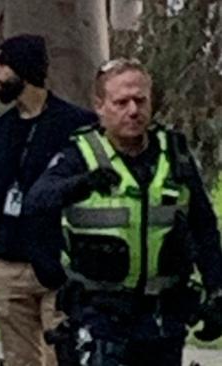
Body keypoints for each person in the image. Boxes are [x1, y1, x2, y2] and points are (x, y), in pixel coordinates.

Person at [23, 58, 222, 365]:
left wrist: (216, 289)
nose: (133, 111)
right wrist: (82, 185)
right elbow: (37, 203)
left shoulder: (175, 155)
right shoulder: (81, 155)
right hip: (100, 313)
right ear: (100, 106)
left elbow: (204, 226)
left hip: (162, 315)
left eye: (140, 101)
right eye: (121, 102)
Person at [0, 34, 98, 366]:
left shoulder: (78, 126)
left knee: (64, 357)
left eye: (2, 64)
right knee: (19, 361)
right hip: (5, 267)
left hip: (58, 269)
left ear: (24, 70)